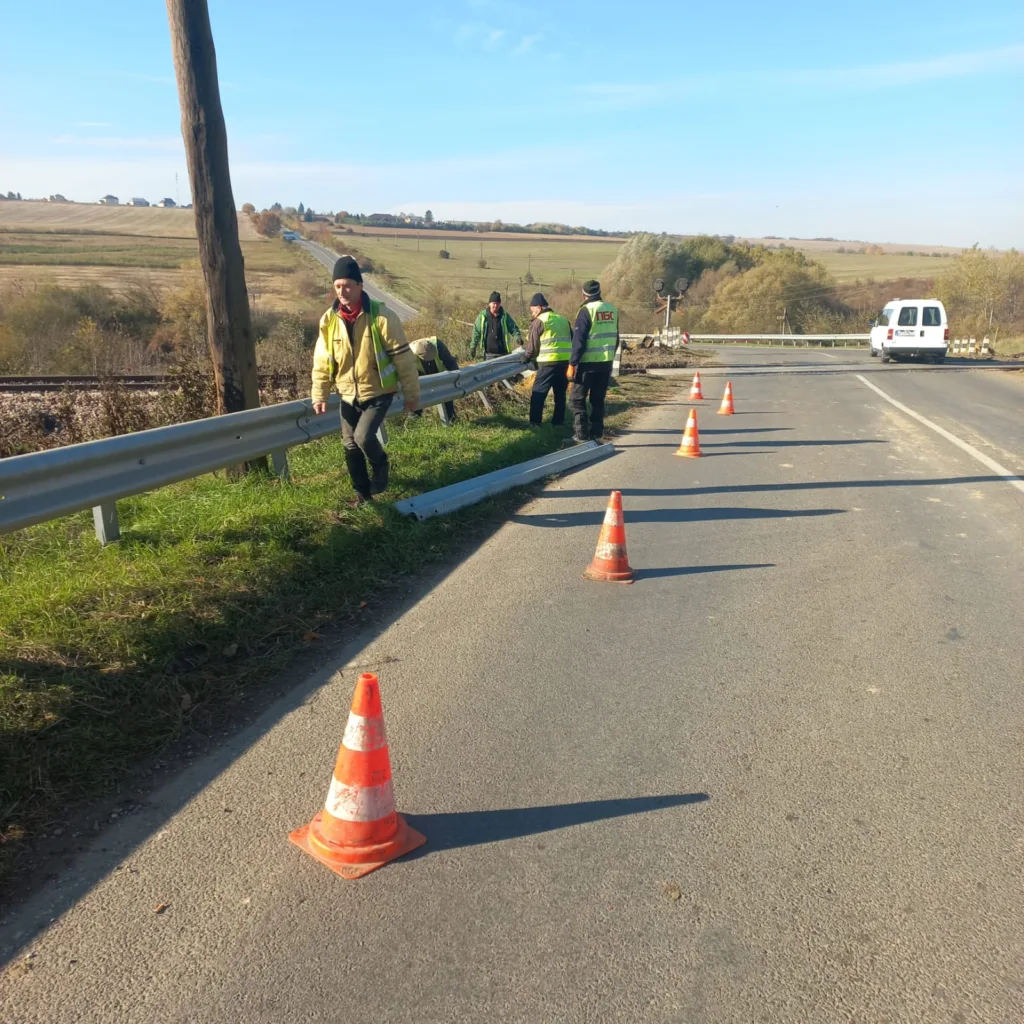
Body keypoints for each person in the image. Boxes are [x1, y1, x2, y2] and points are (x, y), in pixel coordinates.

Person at [311, 256, 420, 504]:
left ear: (360, 285)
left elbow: (403, 358)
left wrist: (412, 396)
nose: (342, 292)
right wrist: (319, 394)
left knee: (362, 438)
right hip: (347, 394)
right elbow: (322, 361)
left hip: (378, 392)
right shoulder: (329, 319)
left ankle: (381, 464)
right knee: (350, 445)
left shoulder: (382, 316)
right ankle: (363, 494)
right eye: (338, 286)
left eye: (348, 285)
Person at [568, 279, 618, 442]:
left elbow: (579, 341)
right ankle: (597, 432)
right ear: (599, 292)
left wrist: (572, 363)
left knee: (576, 400)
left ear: (584, 294)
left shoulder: (586, 311)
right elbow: (616, 338)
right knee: (597, 399)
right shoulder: (612, 309)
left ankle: (581, 434)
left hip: (587, 364)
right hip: (606, 363)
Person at [523, 292, 571, 427]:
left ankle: (535, 423)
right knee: (560, 394)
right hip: (564, 362)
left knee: (538, 393)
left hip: (547, 363)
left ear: (539, 307)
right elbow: (572, 338)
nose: (532, 314)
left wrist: (526, 357)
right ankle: (558, 422)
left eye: (533, 310)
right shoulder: (563, 320)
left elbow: (533, 346)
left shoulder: (540, 321)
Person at [409, 336, 459, 424]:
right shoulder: (408, 353)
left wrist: (455, 379)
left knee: (446, 396)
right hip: (420, 376)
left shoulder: (439, 345)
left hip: (440, 375)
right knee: (416, 399)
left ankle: (450, 420)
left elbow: (451, 363)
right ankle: (413, 424)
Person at [470, 291, 521, 360]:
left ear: (500, 304)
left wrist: (517, 337)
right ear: (489, 304)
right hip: (488, 355)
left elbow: (513, 329)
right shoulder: (482, 316)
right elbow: (476, 332)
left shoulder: (505, 316)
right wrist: (473, 347)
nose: (495, 306)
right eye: (494, 303)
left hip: (504, 354)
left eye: (497, 303)